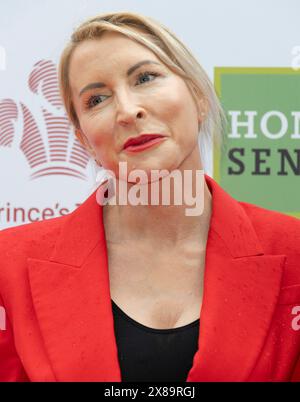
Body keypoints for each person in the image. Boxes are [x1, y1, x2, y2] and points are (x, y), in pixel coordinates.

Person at [0, 11, 300, 383]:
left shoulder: (293, 249)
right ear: (83, 142)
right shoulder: (8, 267)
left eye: (145, 78)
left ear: (199, 97)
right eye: (96, 100)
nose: (128, 111)